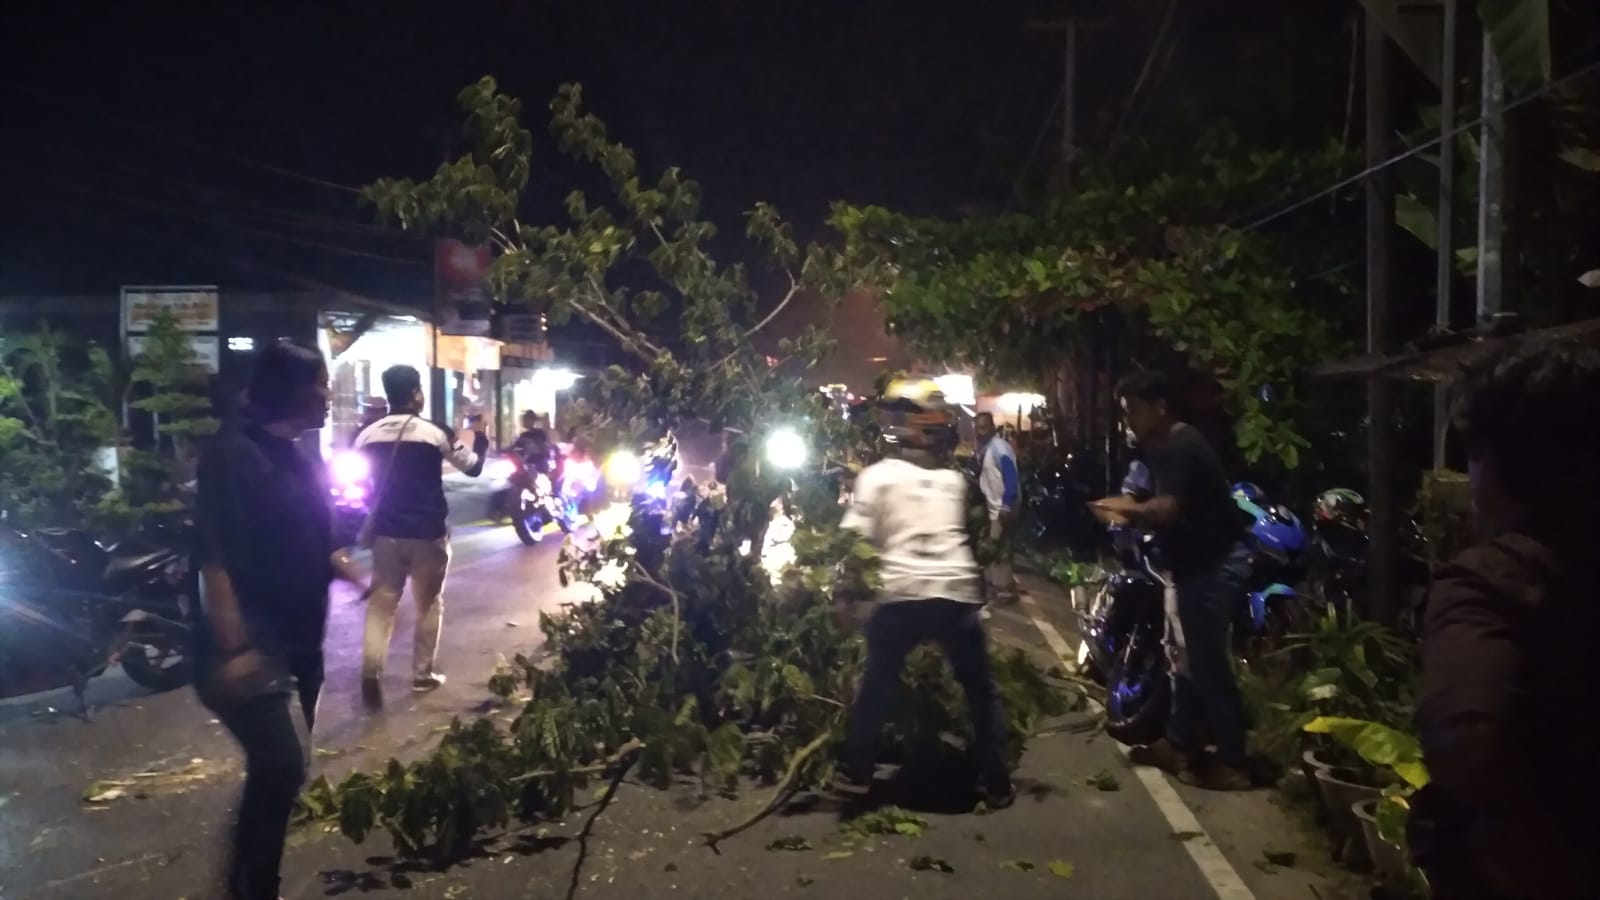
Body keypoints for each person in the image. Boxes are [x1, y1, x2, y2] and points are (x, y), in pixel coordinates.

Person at [1406, 340, 1600, 900]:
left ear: (1500, 465)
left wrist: (1528, 847)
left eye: (1473, 458)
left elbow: (1464, 731)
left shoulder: (1496, 579)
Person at [193, 341, 368, 900]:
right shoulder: (230, 455)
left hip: (300, 643)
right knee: (283, 767)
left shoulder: (302, 455)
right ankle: (252, 889)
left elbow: (320, 537)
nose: (327, 394)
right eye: (320, 383)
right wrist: (232, 647)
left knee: (278, 779)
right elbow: (214, 555)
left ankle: (249, 881)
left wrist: (352, 570)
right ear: (289, 388)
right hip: (253, 646)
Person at [833, 376, 1015, 808]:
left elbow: (853, 545)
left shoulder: (877, 478)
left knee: (877, 682)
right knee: (980, 690)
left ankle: (857, 770)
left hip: (902, 594)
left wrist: (842, 594)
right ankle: (997, 781)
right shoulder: (954, 481)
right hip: (955, 592)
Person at [1088, 370, 1253, 791]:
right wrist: (1120, 504)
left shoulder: (1183, 443)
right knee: (1180, 659)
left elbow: (1166, 510)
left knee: (1206, 663)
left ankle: (1234, 762)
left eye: (1134, 409)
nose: (1129, 418)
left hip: (1214, 566)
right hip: (1186, 567)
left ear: (1160, 407)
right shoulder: (1159, 447)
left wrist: (1122, 511)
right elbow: (1146, 497)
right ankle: (1180, 743)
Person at [354, 365, 487, 707]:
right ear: (416, 393)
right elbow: (473, 467)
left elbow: (355, 484)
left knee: (382, 600)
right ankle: (422, 675)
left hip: (385, 532)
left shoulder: (368, 435)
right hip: (428, 532)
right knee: (428, 602)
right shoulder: (433, 432)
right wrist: (480, 436)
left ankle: (371, 671)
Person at [974, 412, 1021, 604]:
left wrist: (1007, 505)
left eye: (983, 427)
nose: (979, 431)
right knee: (997, 548)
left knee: (997, 548)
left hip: (1003, 508)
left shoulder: (999, 448)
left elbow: (1011, 477)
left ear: (992, 427)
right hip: (994, 508)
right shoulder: (986, 449)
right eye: (977, 427)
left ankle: (1005, 590)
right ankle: (1000, 588)